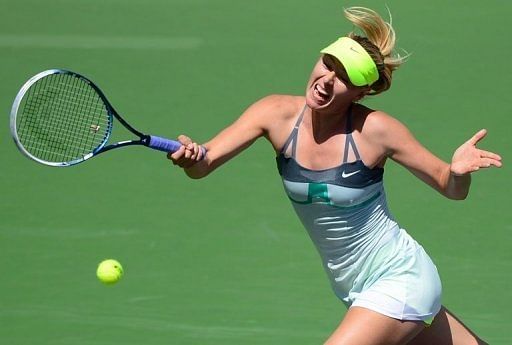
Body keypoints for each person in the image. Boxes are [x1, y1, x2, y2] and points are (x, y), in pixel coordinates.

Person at [168, 6, 502, 345]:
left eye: (343, 78)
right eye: (327, 64)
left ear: (361, 93)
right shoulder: (274, 113)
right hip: (354, 288)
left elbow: (450, 185)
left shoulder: (376, 130)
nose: (327, 81)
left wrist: (459, 172)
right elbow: (204, 163)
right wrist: (192, 156)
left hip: (401, 277)